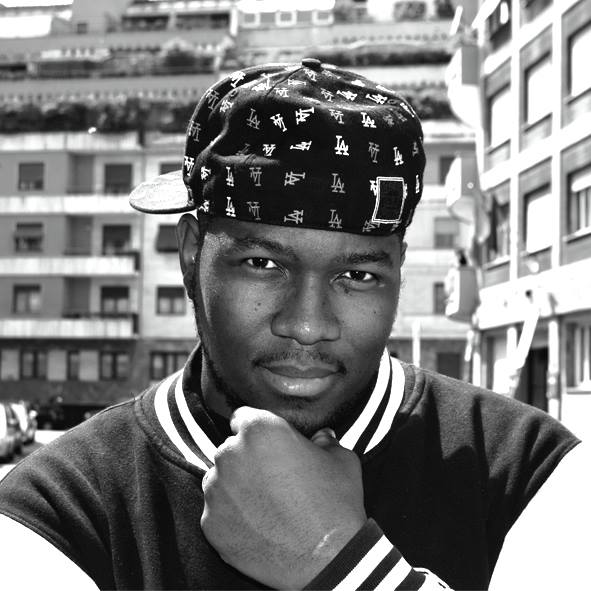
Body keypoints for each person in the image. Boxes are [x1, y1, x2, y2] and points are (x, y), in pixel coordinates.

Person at [0, 59, 589, 591]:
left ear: (399, 271)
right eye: (263, 264)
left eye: (357, 275)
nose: (307, 325)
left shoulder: (533, 475)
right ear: (191, 255)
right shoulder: (57, 513)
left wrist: (341, 565)